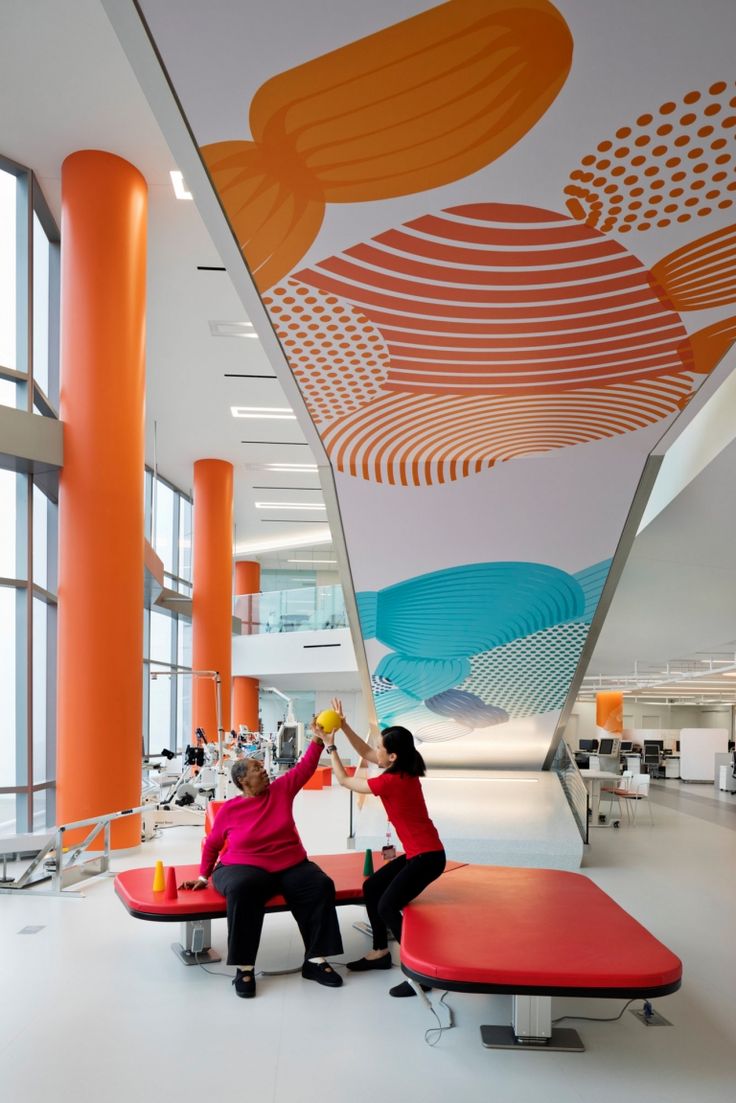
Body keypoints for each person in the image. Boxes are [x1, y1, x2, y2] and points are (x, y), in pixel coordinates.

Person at [179, 730, 343, 999]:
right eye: (257, 769)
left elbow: (305, 768)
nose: (264, 771)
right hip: (240, 867)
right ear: (242, 780)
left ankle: (315, 961)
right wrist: (202, 876)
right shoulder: (230, 810)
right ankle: (244, 967)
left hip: (289, 864)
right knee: (244, 889)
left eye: (262, 767)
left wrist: (317, 740)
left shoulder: (280, 791)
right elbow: (212, 845)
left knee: (319, 885)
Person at [317, 698, 445, 998]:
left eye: (381, 749)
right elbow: (365, 752)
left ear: (393, 756)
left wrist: (330, 746)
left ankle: (420, 973)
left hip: (426, 859)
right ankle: (379, 952)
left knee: (387, 906)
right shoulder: (404, 770)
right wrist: (344, 724)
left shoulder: (391, 782)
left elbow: (345, 780)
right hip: (422, 854)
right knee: (373, 887)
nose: (376, 752)